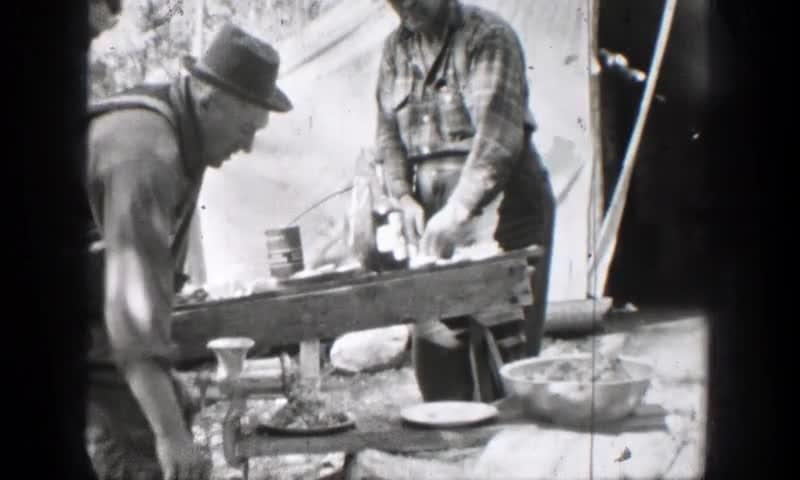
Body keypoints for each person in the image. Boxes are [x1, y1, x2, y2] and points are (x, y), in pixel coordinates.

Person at [84, 23, 292, 479]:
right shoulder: (146, 156)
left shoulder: (184, 134)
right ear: (207, 99)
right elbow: (132, 316)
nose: (248, 145)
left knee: (165, 411)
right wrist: (170, 435)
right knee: (141, 453)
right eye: (245, 128)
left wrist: (163, 387)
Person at [375, 0, 556, 401]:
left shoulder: (487, 37)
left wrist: (457, 210)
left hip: (505, 211)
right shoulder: (395, 50)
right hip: (435, 216)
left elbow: (496, 140)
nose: (404, 5)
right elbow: (387, 136)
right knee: (438, 367)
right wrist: (403, 196)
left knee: (509, 369)